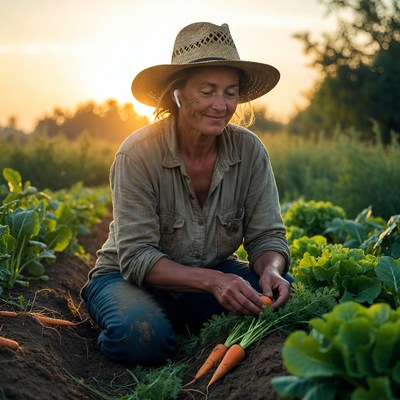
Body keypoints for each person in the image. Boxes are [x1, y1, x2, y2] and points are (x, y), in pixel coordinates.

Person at [81, 21, 292, 367]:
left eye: (230, 92)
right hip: (128, 280)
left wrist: (271, 268)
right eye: (207, 91)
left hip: (209, 277)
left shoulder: (250, 151)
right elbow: (135, 257)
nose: (221, 105)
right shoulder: (137, 154)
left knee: (282, 296)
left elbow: (268, 235)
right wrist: (215, 282)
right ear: (177, 95)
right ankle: (125, 322)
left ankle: (183, 329)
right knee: (141, 337)